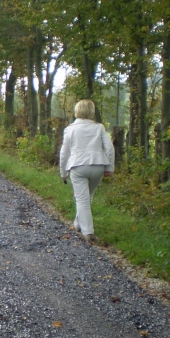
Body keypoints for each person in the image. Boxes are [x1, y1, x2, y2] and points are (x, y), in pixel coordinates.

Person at [59, 99, 114, 242]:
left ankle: (88, 232)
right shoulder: (99, 127)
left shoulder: (70, 129)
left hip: (78, 166)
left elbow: (64, 152)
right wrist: (109, 167)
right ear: (91, 112)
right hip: (98, 165)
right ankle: (78, 224)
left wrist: (63, 172)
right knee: (87, 197)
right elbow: (109, 148)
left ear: (77, 111)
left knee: (82, 199)